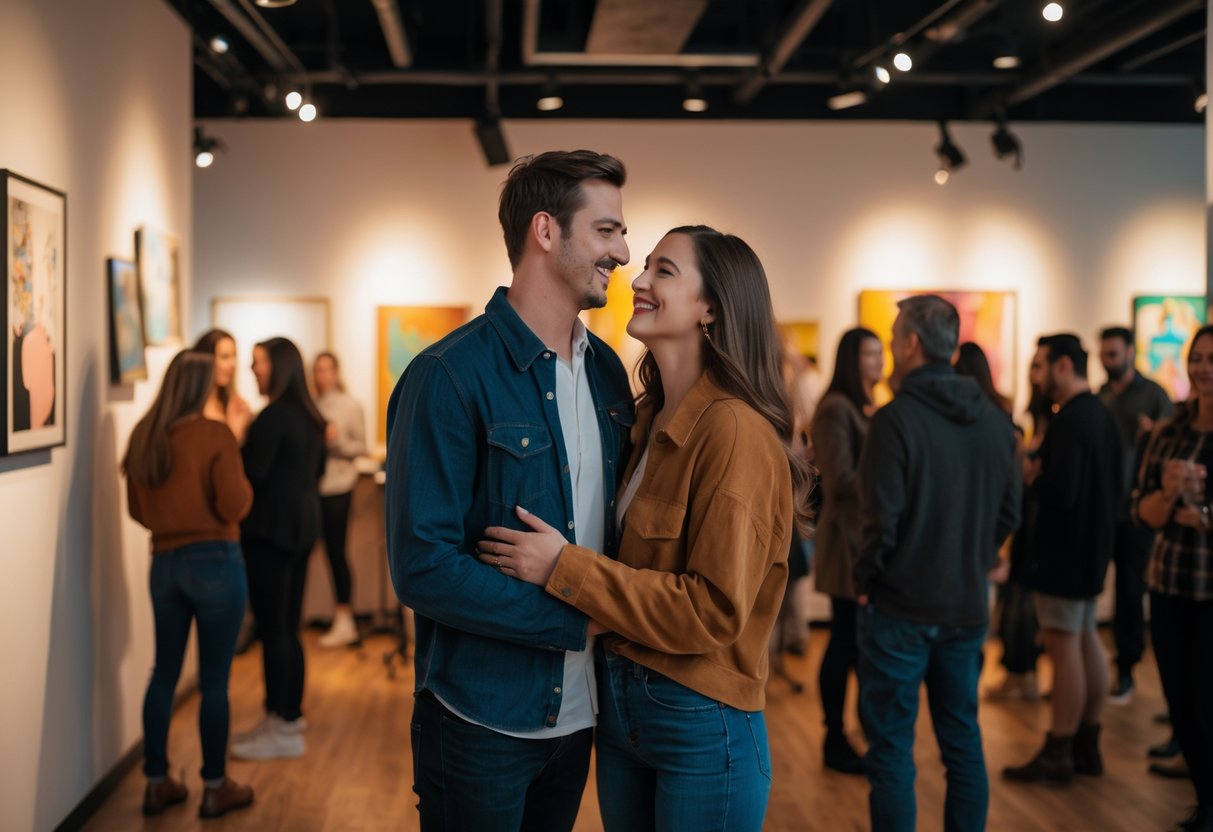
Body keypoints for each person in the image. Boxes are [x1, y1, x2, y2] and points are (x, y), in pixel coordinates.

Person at [480, 225, 809, 831]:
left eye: (664, 270)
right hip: (623, 712)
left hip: (702, 722)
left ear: (711, 305)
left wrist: (563, 569)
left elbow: (712, 609)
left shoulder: (734, 432)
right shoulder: (642, 420)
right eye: (646, 266)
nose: (639, 280)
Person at [385, 150, 634, 831]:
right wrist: (574, 619)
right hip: (477, 718)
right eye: (607, 230)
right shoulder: (447, 374)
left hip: (583, 713)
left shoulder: (610, 375)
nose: (624, 250)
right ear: (545, 231)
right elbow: (421, 568)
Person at [855, 295, 1021, 832]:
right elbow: (1011, 511)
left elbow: (882, 520)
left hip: (900, 607)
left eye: (894, 335)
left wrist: (867, 579)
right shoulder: (997, 423)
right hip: (966, 605)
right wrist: (973, 555)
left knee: (892, 751)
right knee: (963, 743)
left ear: (911, 343)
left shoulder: (895, 419)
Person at [123, 350, 255, 819]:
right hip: (215, 559)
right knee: (214, 681)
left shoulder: (144, 435)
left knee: (163, 672)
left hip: (164, 562)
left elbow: (137, 510)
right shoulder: (214, 434)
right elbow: (235, 505)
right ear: (202, 387)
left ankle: (156, 783)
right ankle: (215, 787)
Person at [1004, 334, 1122, 785]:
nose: (1037, 372)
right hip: (1090, 550)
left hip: (1064, 553)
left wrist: (1034, 475)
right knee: (1085, 637)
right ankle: (1086, 745)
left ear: (1062, 366)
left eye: (1041, 363)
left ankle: (1059, 748)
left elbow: (1062, 491)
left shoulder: (1072, 420)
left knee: (1063, 644)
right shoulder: (1101, 415)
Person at [230, 337, 326, 761]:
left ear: (279, 367)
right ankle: (289, 716)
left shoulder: (272, 418)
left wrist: (235, 437)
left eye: (258, 363)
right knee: (289, 626)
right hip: (301, 528)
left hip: (270, 532)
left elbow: (250, 476)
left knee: (274, 629)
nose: (252, 370)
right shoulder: (309, 416)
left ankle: (280, 724)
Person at [1134, 324, 1213, 832]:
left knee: (1208, 702)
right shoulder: (1168, 433)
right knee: (1181, 701)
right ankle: (1205, 801)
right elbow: (1143, 513)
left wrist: (1208, 515)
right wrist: (1167, 493)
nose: (1204, 368)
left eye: (1212, 359)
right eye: (1198, 358)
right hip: (1169, 585)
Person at [809, 326, 883, 775]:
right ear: (851, 359)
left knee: (855, 642)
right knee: (845, 641)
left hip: (865, 542)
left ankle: (847, 734)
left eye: (880, 353)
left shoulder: (865, 408)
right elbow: (841, 481)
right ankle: (834, 736)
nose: (878, 361)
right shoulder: (836, 408)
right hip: (847, 545)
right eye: (869, 354)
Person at [1097, 325, 1173, 703]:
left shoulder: (1154, 395)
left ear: (1129, 353)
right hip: (1104, 508)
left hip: (1137, 511)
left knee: (1130, 590)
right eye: (1103, 355)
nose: (1107, 361)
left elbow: (1173, 448)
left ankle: (1127, 669)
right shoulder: (1100, 397)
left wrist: (1156, 432)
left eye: (1113, 354)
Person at [312, 351, 368, 648]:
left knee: (336, 552)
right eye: (317, 370)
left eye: (326, 369)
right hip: (312, 489)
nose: (322, 375)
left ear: (336, 371)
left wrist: (335, 441)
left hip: (339, 487)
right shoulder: (310, 405)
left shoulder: (350, 406)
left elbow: (362, 446)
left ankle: (345, 619)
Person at [192, 328, 251, 442]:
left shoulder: (235, 405)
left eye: (234, 356)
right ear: (205, 359)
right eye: (225, 357)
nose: (233, 364)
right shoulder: (192, 408)